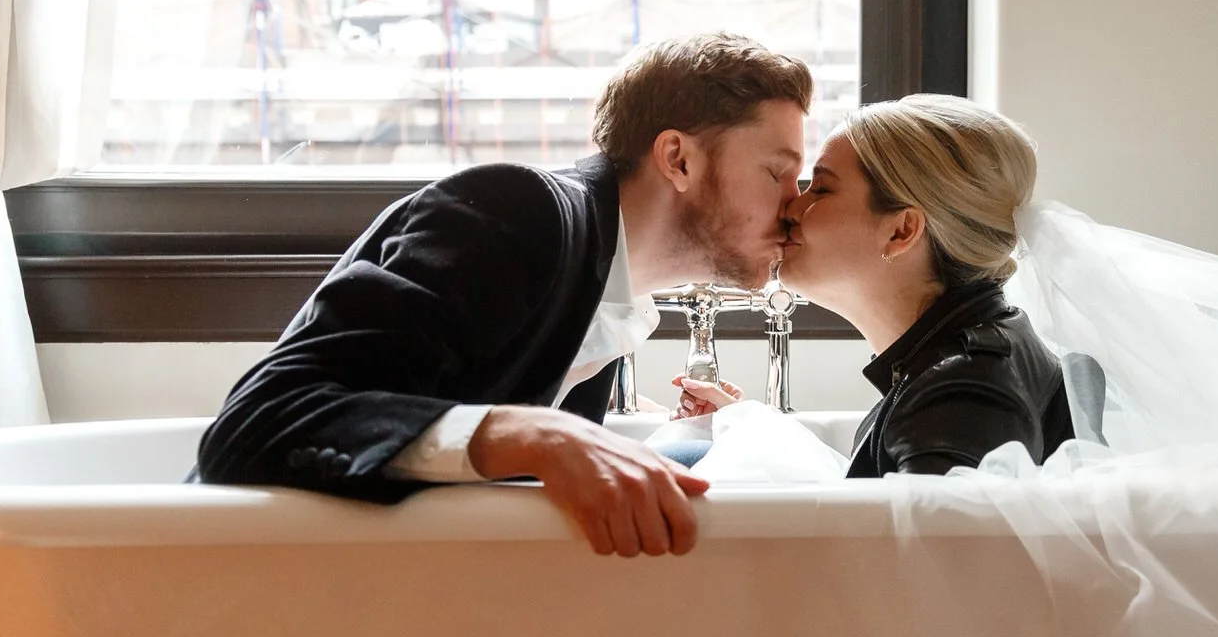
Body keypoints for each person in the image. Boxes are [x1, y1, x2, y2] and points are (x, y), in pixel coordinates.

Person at [193, 32, 809, 557]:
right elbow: (256, 425)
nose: (795, 204)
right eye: (778, 172)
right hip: (240, 609)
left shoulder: (606, 296)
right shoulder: (519, 212)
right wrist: (536, 436)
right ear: (678, 159)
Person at [671, 94, 1075, 476]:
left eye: (821, 189)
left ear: (901, 231)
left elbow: (922, 546)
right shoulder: (966, 359)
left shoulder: (961, 395)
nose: (791, 207)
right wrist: (745, 422)